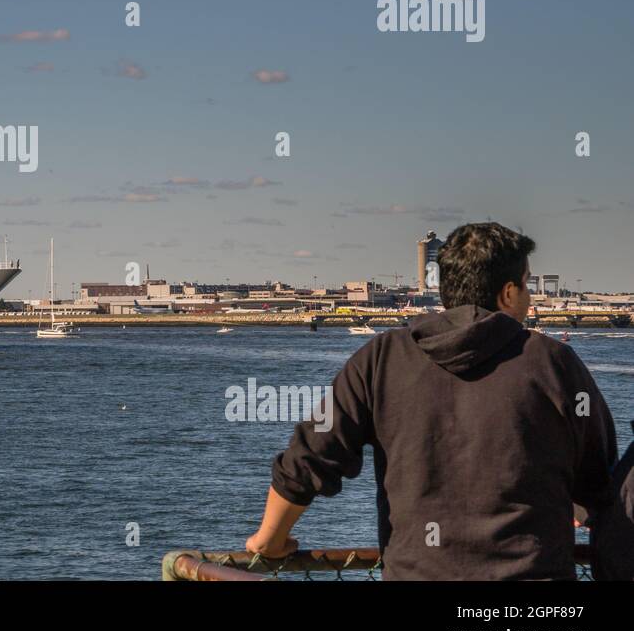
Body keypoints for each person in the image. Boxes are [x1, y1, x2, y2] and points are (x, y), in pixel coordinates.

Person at [246, 222, 616, 579]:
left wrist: (270, 539)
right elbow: (600, 477)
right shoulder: (554, 363)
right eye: (526, 285)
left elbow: (312, 455)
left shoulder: (381, 358)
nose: (530, 296)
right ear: (507, 293)